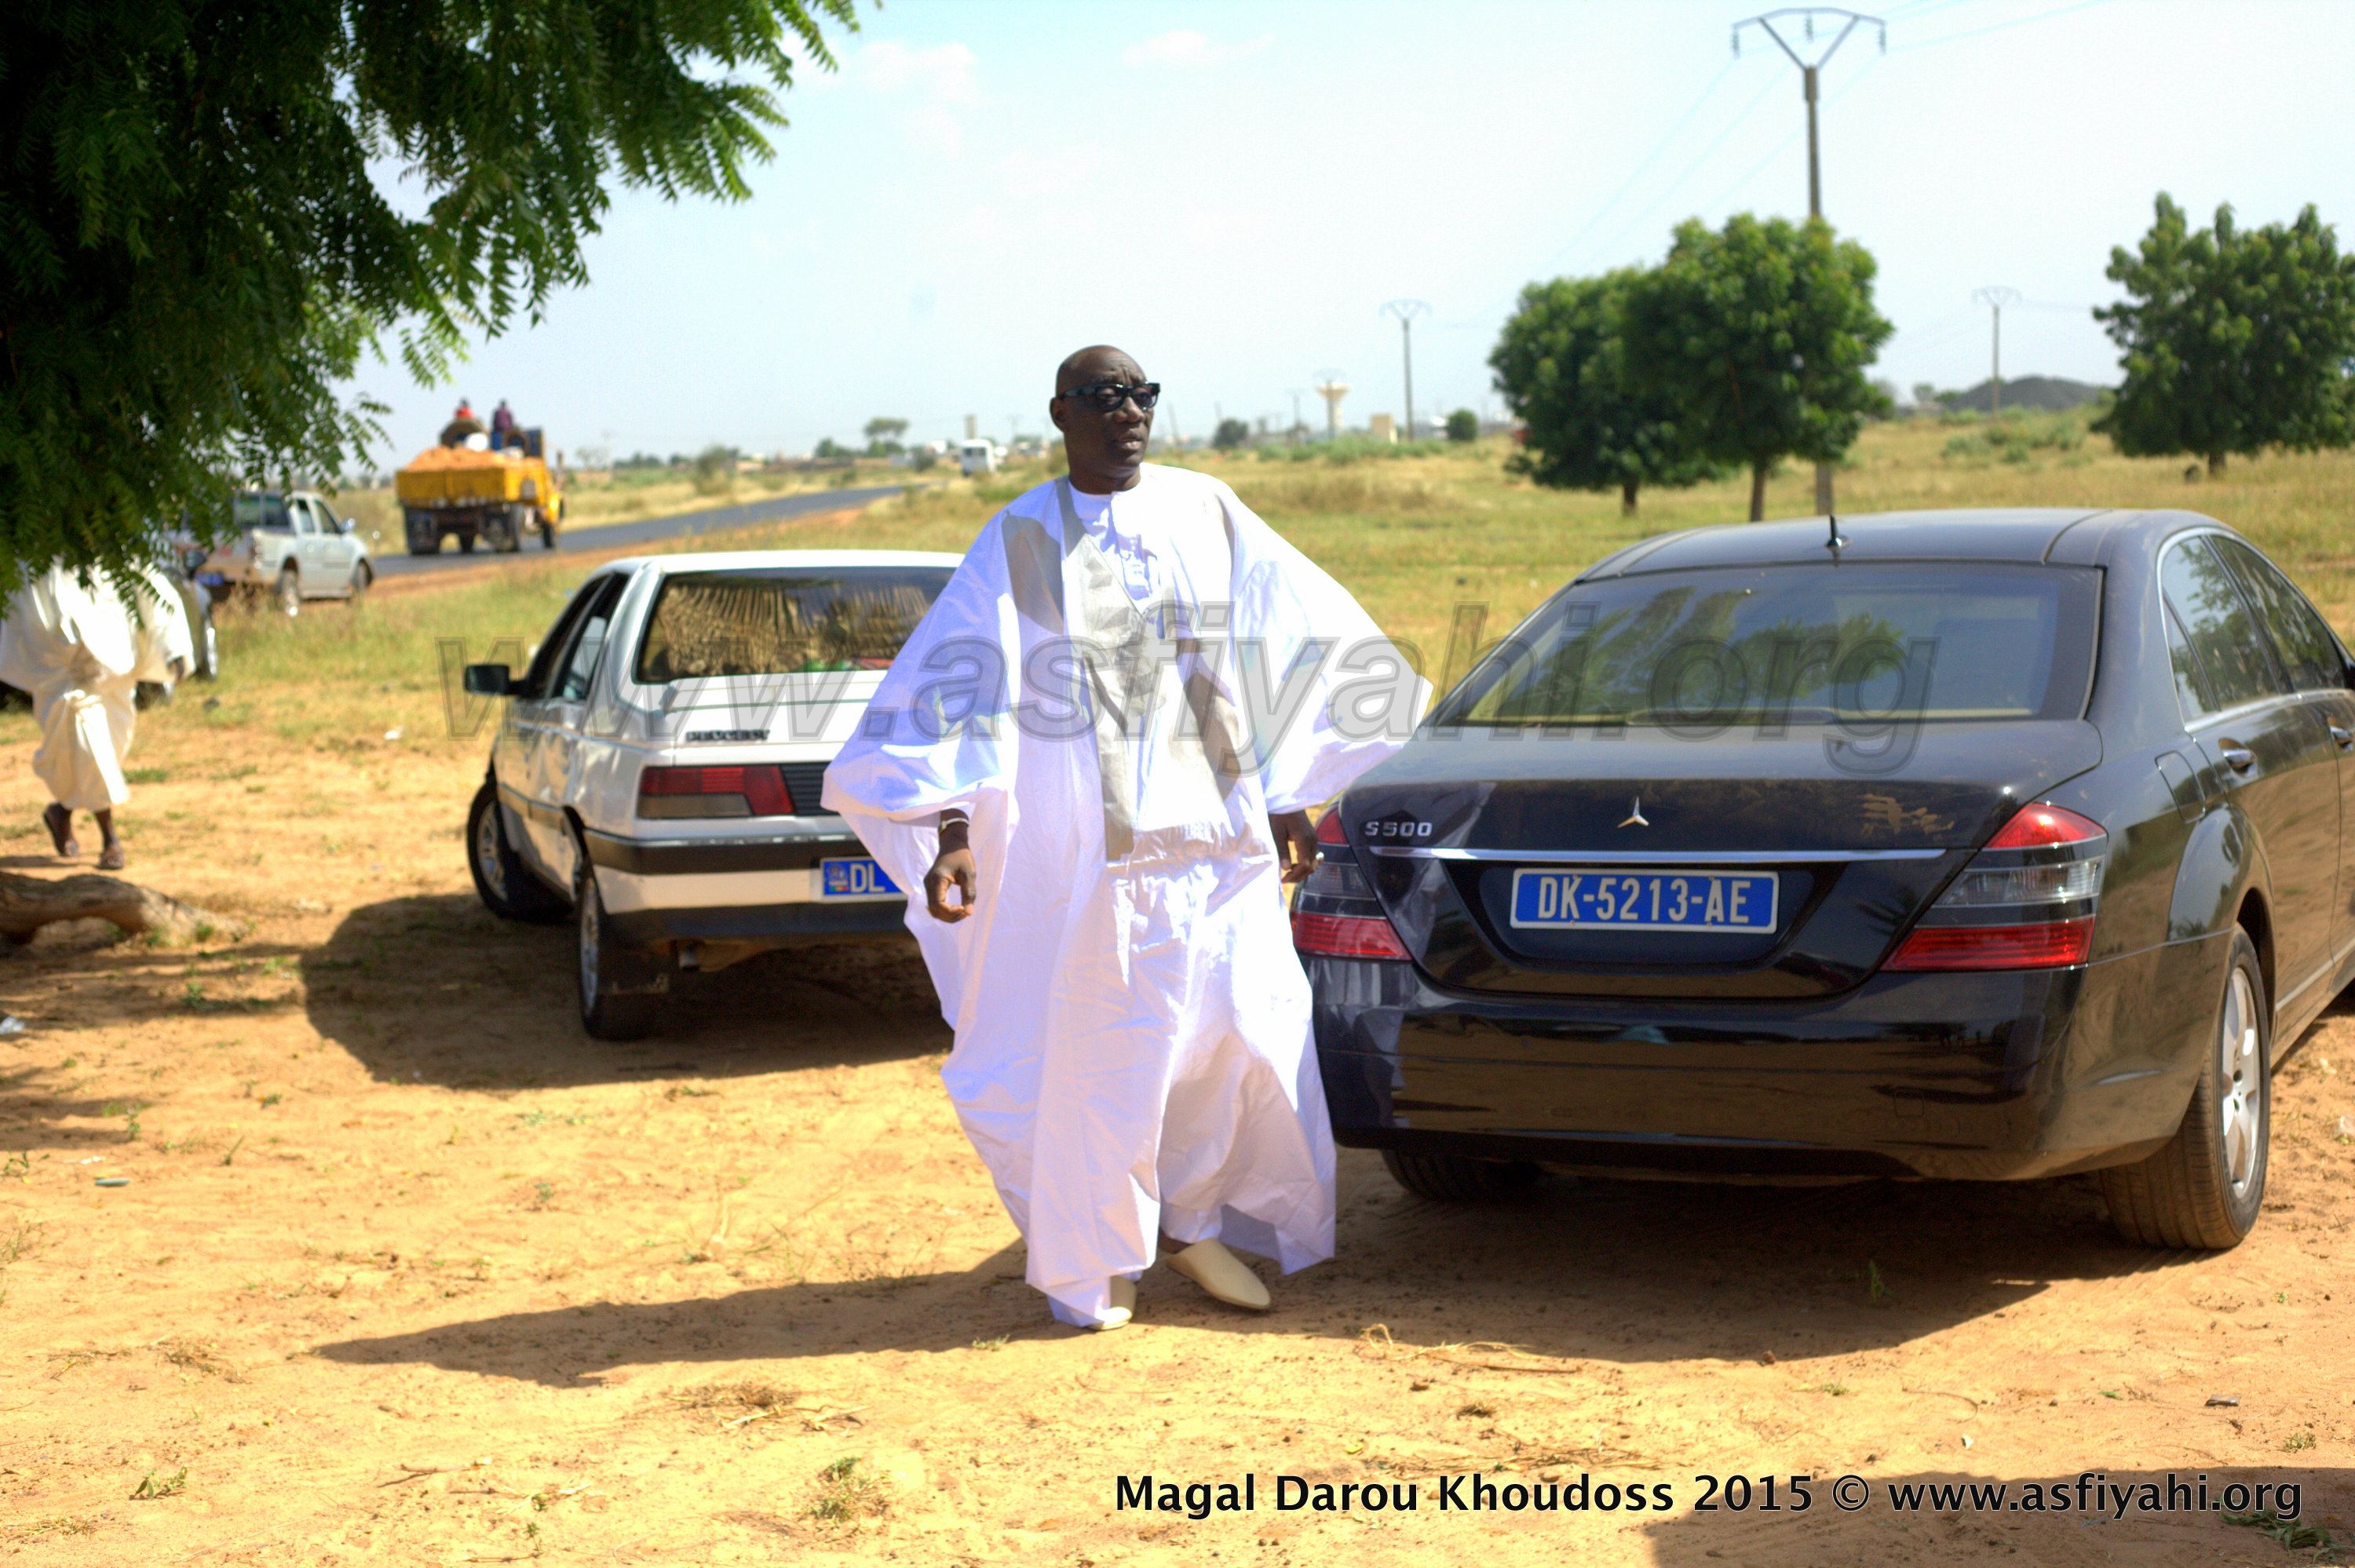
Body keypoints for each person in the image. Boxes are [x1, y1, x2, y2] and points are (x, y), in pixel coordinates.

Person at [823, 345, 1426, 1330]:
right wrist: (949, 827)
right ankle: (1096, 1250)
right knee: (1105, 1057)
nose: (1129, 411)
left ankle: (1190, 1224)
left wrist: (1289, 794)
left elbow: (1283, 634)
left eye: (1141, 394)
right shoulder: (1021, 536)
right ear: (1061, 414)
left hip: (1220, 849)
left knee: (1233, 1040)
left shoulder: (1207, 508)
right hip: (1089, 866)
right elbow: (959, 681)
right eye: (1105, 397)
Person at [0, 561, 192, 871]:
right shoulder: (39, 550)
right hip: (65, 675)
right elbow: (22, 598)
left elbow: (152, 587)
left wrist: (173, 648)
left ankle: (61, 812)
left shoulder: (116, 543)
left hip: (115, 672)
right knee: (90, 750)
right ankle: (110, 839)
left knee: (104, 753)